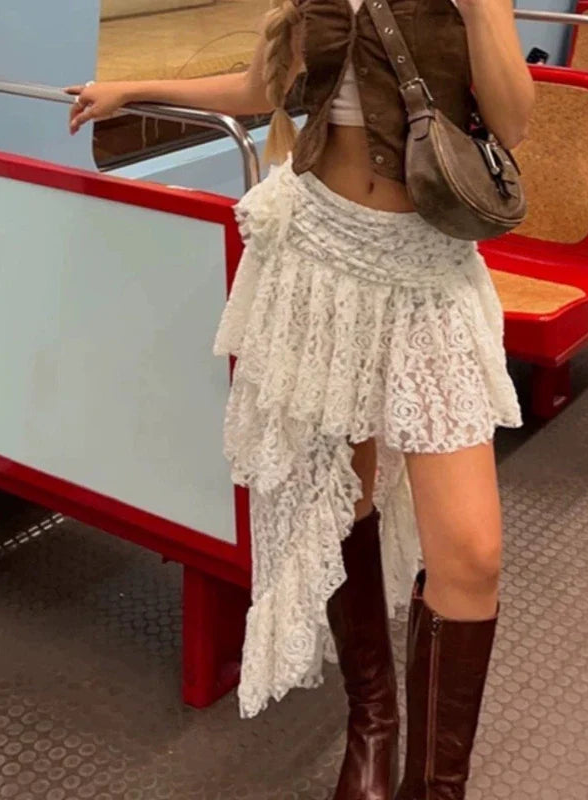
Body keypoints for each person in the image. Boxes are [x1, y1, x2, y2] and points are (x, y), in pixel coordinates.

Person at [67, 0, 533, 794]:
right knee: (342, 499)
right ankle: (373, 724)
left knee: (471, 555)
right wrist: (133, 89)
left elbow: (514, 121)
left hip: (427, 273)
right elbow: (266, 86)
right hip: (320, 257)